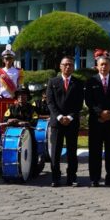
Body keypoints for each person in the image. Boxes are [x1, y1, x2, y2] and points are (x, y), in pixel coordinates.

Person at [84, 50, 110, 187]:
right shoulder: (91, 81)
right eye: (101, 65)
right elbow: (89, 101)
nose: (104, 67)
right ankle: (94, 178)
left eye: (106, 64)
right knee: (95, 151)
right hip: (96, 121)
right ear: (97, 66)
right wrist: (100, 113)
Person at [46, 56, 84, 186]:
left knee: (72, 151)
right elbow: (50, 102)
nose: (68, 67)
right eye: (65, 64)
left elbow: (79, 103)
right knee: (55, 151)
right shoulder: (53, 82)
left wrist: (70, 117)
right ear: (60, 66)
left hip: (72, 122)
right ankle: (55, 178)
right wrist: (59, 117)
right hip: (57, 123)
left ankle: (71, 177)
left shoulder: (78, 83)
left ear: (73, 67)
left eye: (70, 65)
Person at [0, 44, 23, 122]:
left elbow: (20, 86)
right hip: (2, 99)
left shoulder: (18, 71)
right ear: (3, 60)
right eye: (6, 59)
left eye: (10, 59)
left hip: (13, 99)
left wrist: (20, 98)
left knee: (14, 120)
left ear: (12, 60)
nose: (8, 61)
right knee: (1, 120)